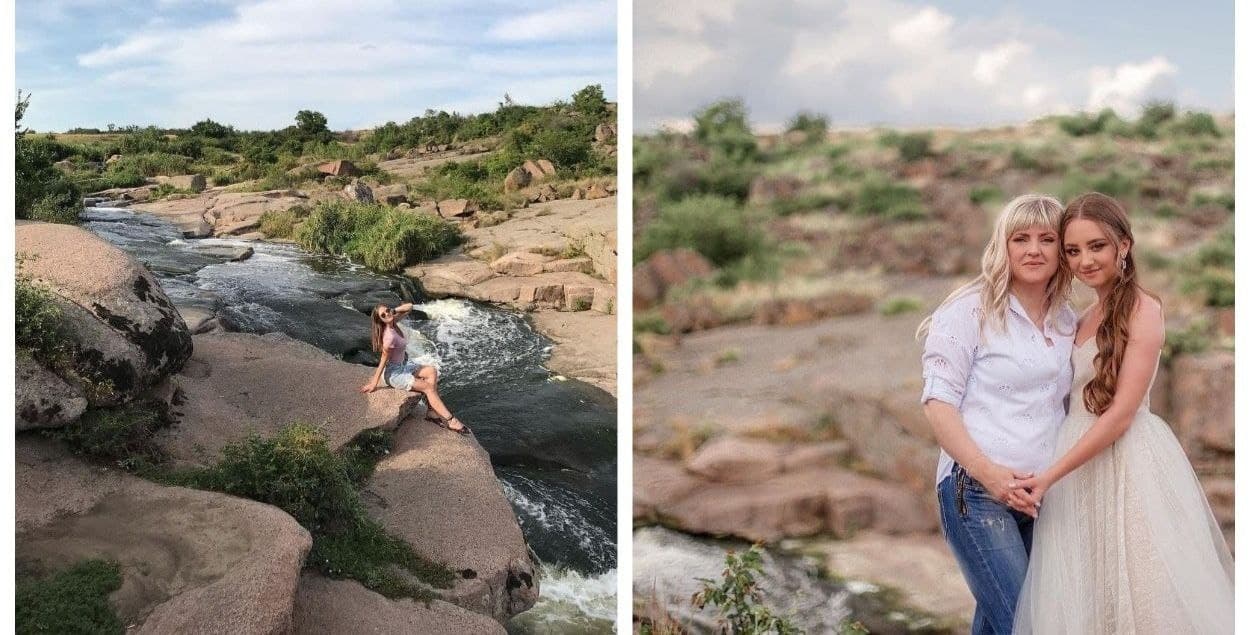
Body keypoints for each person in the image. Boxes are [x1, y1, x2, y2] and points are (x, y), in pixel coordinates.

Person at [1011, 192, 1233, 633]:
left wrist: (1049, 477)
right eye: (1072, 251)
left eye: (1096, 246)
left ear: (1123, 246)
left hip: (1126, 464)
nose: (1084, 260)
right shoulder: (1080, 317)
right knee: (1089, 597)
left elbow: (1119, 416)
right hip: (1076, 467)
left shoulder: (1144, 310)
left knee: (1143, 595)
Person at [917, 194, 1076, 634]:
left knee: (999, 623)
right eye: (1020, 238)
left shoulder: (1067, 321)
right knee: (1029, 624)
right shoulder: (969, 309)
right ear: (1002, 245)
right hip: (978, 490)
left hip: (1042, 496)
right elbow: (938, 402)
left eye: (1047, 239)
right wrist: (989, 474)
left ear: (1062, 250)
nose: (1033, 250)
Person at [360, 302, 468, 434]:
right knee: (427, 387)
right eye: (383, 315)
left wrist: (393, 310)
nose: (387, 314)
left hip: (404, 365)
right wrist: (374, 383)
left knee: (431, 371)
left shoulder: (393, 321)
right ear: (380, 320)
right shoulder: (389, 337)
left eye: (387, 310)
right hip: (395, 374)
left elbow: (409, 306)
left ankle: (432, 412)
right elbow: (383, 361)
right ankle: (451, 421)